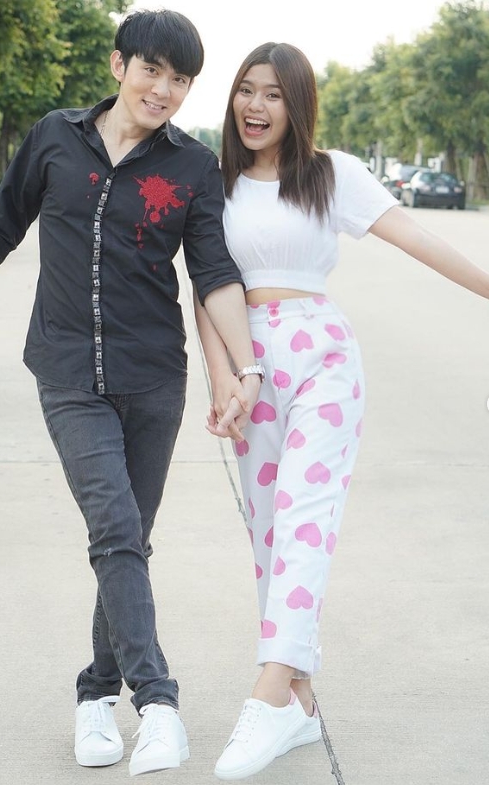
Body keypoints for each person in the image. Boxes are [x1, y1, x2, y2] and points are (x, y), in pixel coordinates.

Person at [0, 10, 261, 778]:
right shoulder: (54, 138)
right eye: (152, 70)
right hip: (67, 374)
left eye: (180, 79)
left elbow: (214, 273)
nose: (163, 89)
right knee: (115, 528)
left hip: (154, 379)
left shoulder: (193, 166)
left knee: (127, 541)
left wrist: (247, 366)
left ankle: (96, 692)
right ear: (118, 64)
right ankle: (159, 703)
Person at [194, 41, 489, 781]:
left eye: (274, 93)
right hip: (251, 364)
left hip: (321, 354)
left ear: (297, 104)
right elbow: (207, 284)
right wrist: (222, 378)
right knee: (268, 529)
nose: (256, 106)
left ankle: (267, 694)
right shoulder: (214, 181)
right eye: (246, 90)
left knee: (304, 515)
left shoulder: (332, 174)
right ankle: (299, 700)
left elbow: (417, 237)